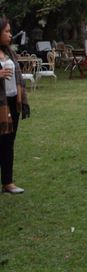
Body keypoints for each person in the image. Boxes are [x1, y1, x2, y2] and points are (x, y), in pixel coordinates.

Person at [0, 16, 30, 194]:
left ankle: (7, 182)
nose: (10, 34)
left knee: (8, 143)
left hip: (12, 102)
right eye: (7, 31)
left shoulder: (9, 52)